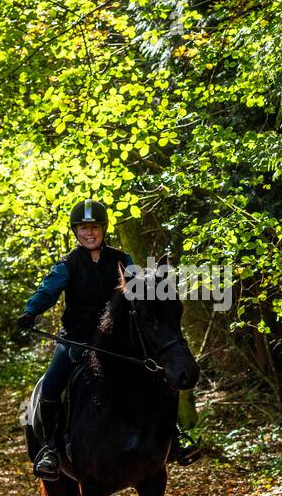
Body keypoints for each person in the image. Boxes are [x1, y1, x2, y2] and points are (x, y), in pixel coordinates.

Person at [18, 198, 200, 478]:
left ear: (103, 230)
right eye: (83, 228)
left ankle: (173, 438)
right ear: (75, 232)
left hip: (115, 343)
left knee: (158, 375)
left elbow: (142, 284)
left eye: (94, 227)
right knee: (53, 384)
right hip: (76, 341)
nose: (89, 233)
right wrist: (31, 311)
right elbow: (48, 291)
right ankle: (53, 449)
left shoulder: (122, 260)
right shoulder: (67, 265)